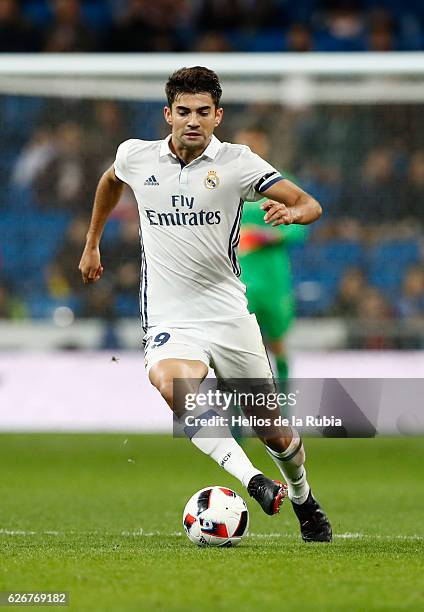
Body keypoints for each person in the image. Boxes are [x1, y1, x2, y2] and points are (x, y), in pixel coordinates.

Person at [79, 66, 331, 542]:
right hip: (171, 316)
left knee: (273, 431)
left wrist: (292, 212)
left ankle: (304, 499)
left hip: (230, 315)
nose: (191, 120)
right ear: (167, 114)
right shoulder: (136, 156)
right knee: (173, 384)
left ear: (217, 116)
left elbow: (309, 203)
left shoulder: (238, 162)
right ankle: (252, 479)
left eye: (201, 112)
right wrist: (93, 243)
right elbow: (110, 182)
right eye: (182, 111)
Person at [235, 126, 308, 390]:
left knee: (277, 344)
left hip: (274, 281)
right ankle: (237, 424)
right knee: (238, 352)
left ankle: (283, 411)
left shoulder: (282, 184)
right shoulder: (226, 184)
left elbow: (300, 228)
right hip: (238, 282)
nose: (251, 149)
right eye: (246, 143)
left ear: (265, 147)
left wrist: (262, 237)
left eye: (256, 142)